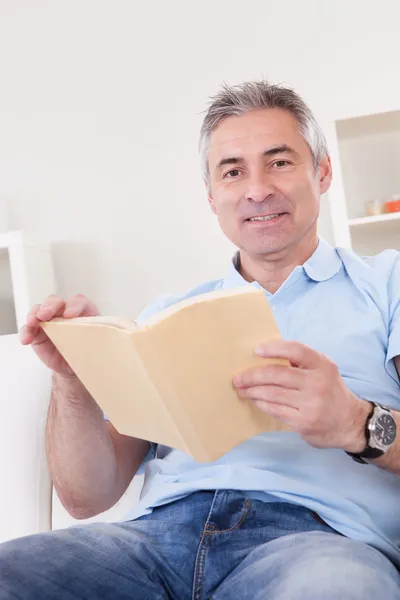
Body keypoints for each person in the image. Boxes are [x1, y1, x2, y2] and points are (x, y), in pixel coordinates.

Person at [1, 80, 399, 600]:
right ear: (213, 197)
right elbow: (85, 497)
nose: (257, 189)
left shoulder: (387, 283)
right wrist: (74, 379)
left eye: (279, 162)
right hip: (151, 544)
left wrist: (356, 422)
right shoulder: (168, 316)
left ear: (322, 172)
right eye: (233, 171)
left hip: (315, 541)